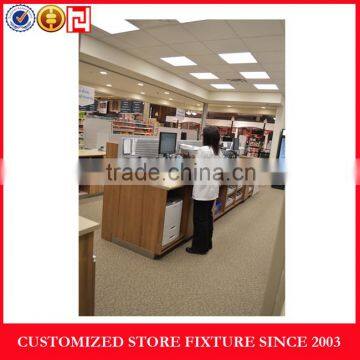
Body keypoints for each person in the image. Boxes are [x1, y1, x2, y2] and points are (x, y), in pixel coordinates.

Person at [186, 126, 222, 255]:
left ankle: (199, 248)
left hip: (203, 190)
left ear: (206, 137)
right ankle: (207, 244)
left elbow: (198, 170)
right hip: (212, 190)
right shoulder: (218, 151)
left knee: (199, 219)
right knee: (207, 217)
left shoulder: (203, 150)